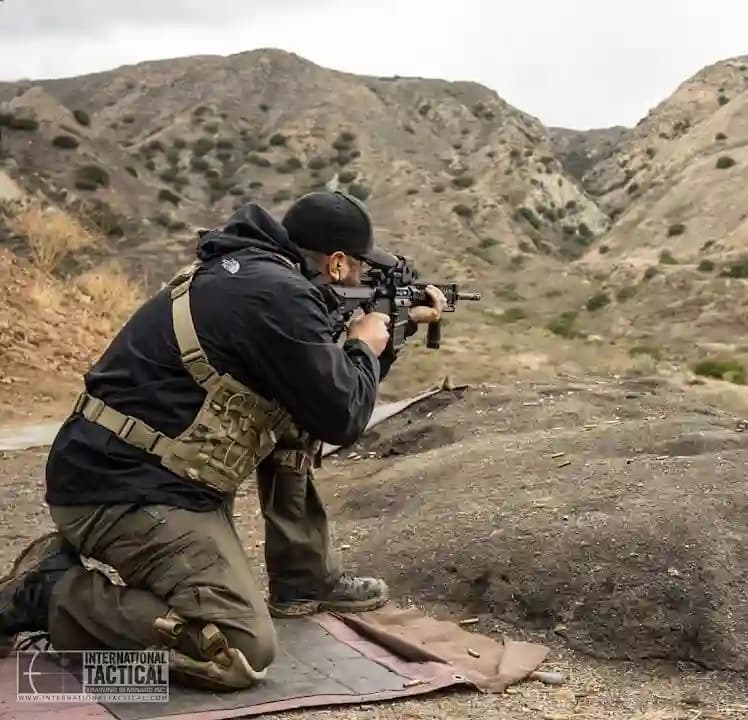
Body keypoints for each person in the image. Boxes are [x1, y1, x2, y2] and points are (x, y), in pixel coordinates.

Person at [0, 191, 447, 691]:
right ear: (338, 263)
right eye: (361, 268)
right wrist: (365, 344)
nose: (362, 278)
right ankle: (49, 591)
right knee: (238, 648)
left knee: (296, 418)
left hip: (128, 475)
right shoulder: (279, 296)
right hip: (123, 493)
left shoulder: (253, 276)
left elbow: (323, 400)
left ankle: (303, 577)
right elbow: (343, 418)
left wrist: (384, 338)